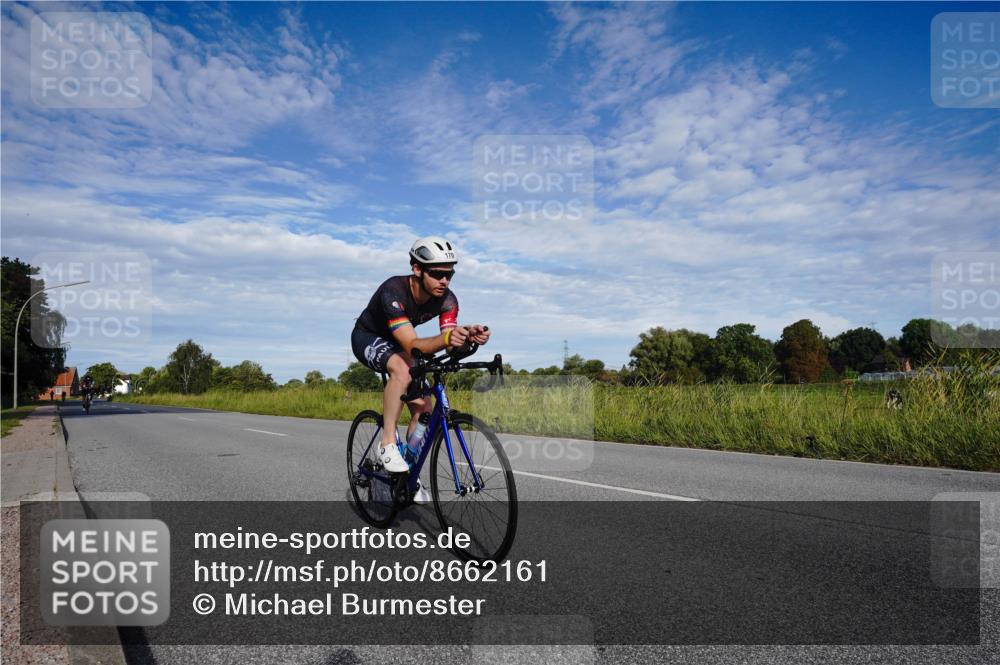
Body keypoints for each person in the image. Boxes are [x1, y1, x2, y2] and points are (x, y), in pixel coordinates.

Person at [351, 236, 490, 501]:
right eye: (437, 274)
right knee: (402, 370)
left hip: (400, 343)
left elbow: (448, 341)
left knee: (426, 407)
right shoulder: (393, 290)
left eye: (449, 274)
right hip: (368, 337)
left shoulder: (448, 300)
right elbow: (413, 344)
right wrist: (448, 340)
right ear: (417, 269)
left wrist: (467, 336)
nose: (444, 281)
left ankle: (407, 477)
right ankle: (387, 442)